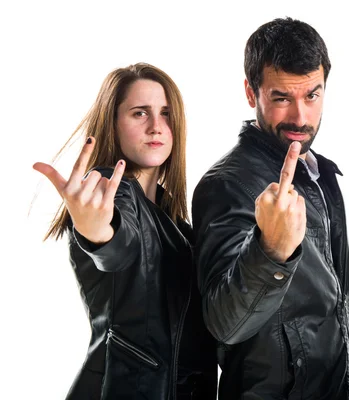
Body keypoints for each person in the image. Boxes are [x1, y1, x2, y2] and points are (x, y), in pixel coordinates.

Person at [191, 17, 349, 399]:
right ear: (252, 93)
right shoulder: (227, 185)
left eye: (312, 95)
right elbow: (225, 323)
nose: (300, 117)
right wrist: (271, 252)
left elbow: (338, 299)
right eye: (282, 98)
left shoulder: (318, 173)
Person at [33, 63, 217, 399]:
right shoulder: (111, 193)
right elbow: (120, 242)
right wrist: (97, 230)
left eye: (166, 113)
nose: (156, 127)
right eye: (139, 114)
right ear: (112, 124)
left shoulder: (176, 223)